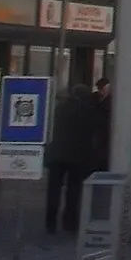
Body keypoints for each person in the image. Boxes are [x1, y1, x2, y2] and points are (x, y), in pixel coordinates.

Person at [44, 84, 98, 235]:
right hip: (77, 155)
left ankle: (50, 222)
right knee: (73, 191)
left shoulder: (60, 108)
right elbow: (92, 131)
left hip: (57, 154)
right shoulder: (87, 110)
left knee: (53, 189)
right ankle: (70, 222)